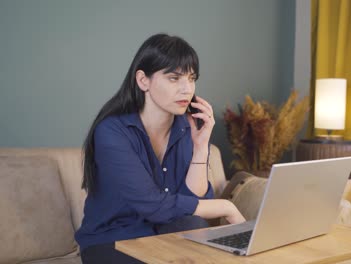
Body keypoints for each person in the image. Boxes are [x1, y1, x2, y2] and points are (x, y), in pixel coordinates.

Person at [75, 33, 246, 263]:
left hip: (165, 234)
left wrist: (201, 146)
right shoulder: (112, 131)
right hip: (113, 240)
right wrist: (225, 207)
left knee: (195, 225)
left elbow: (190, 201)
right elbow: (153, 205)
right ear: (143, 80)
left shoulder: (186, 127)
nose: (187, 89)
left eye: (191, 78)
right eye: (174, 78)